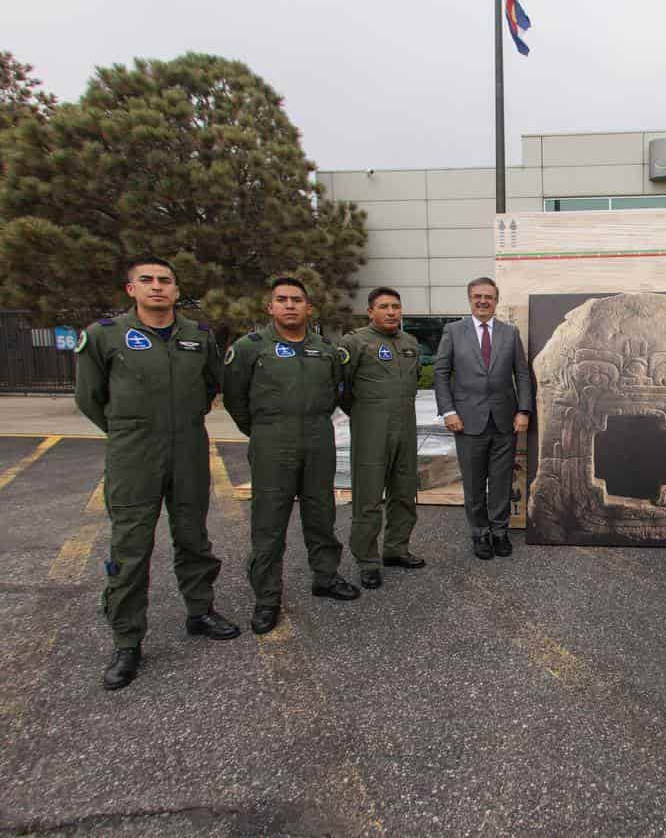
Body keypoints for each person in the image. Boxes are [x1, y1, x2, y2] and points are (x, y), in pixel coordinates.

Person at [75, 256, 240, 691]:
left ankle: (200, 610)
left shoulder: (196, 336)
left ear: (175, 289)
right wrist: (130, 430)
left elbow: (209, 386)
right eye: (146, 280)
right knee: (130, 547)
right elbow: (90, 398)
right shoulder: (104, 336)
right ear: (131, 289)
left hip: (187, 448)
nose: (156, 287)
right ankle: (127, 641)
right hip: (134, 454)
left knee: (193, 536)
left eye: (164, 281)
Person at [222, 276, 359, 636]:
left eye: (297, 300)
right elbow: (235, 399)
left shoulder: (326, 350)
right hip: (271, 440)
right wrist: (262, 430)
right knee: (269, 522)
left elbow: (336, 392)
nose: (289, 305)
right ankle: (267, 598)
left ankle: (325, 577)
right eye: (282, 299)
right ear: (270, 308)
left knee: (321, 512)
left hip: (318, 437)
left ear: (308, 308)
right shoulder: (250, 348)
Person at [433, 276, 533, 559]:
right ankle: (480, 534)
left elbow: (522, 374)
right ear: (469, 299)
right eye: (477, 296)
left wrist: (523, 410)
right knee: (474, 483)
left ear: (496, 300)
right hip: (466, 421)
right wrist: (449, 411)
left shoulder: (510, 333)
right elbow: (441, 373)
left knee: (501, 481)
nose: (482, 301)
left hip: (504, 420)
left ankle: (500, 532)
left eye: (488, 296)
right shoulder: (453, 331)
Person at [338, 287, 425, 591]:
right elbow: (342, 389)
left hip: (406, 428)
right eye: (384, 307)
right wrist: (366, 415)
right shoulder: (355, 342)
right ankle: (367, 561)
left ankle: (396, 549)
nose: (391, 312)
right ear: (370, 311)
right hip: (371, 430)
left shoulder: (410, 343)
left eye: (396, 306)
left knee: (404, 492)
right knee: (369, 499)